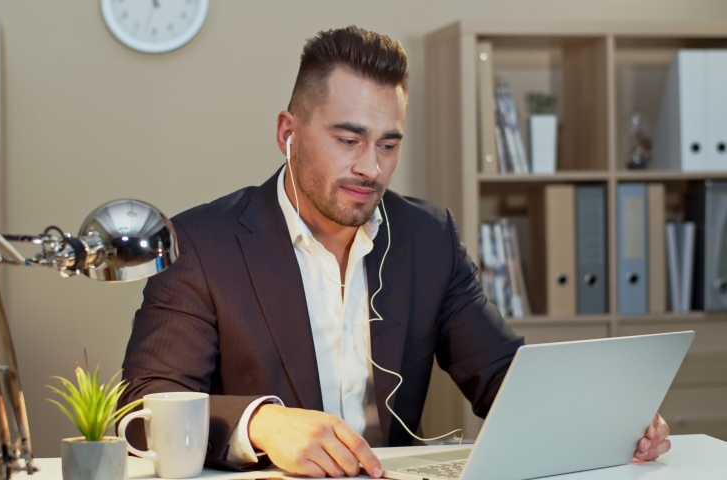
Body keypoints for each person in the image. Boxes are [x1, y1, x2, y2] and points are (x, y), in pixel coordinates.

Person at [119, 25, 671, 478]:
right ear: (289, 132)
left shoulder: (428, 236)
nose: (371, 168)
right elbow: (142, 406)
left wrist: (608, 419)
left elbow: (501, 374)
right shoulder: (200, 242)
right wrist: (260, 424)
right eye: (348, 139)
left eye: (389, 143)